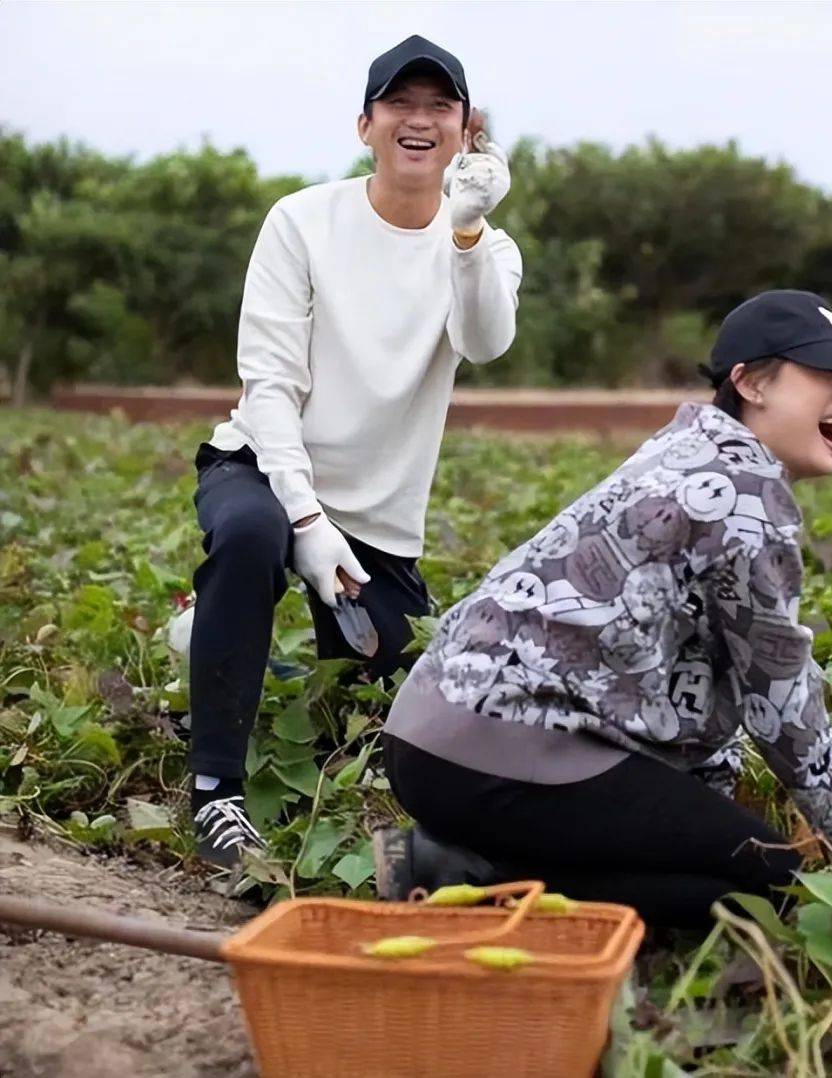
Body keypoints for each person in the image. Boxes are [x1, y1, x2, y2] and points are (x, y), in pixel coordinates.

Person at [375, 290, 832, 928]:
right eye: (826, 373)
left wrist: (701, 803)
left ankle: (470, 860)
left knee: (712, 860)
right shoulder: (741, 493)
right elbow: (780, 697)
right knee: (774, 887)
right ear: (750, 383)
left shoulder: (686, 451)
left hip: (430, 738)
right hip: (501, 750)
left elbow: (698, 673)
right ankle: (457, 876)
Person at [186, 35, 522, 867]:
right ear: (365, 125)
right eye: (399, 104)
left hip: (378, 517)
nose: (419, 120)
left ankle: (207, 640)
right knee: (252, 537)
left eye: (439, 106)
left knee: (381, 715)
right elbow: (269, 384)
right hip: (265, 469)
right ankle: (216, 793)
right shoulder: (302, 220)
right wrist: (305, 518)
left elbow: (485, 342)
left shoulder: (486, 248)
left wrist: (467, 232)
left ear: (467, 130)